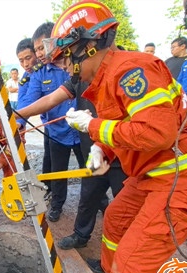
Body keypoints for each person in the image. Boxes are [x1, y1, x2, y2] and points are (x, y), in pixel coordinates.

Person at [46, 1, 187, 273]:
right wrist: (102, 149)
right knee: (115, 220)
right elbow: (126, 126)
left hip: (185, 175)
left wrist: (93, 128)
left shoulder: (130, 71)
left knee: (135, 257)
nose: (67, 67)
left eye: (68, 56)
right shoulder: (106, 79)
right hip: (155, 172)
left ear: (88, 46)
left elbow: (157, 132)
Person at [16, 51, 127, 250]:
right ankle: (81, 235)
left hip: (124, 155)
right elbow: (49, 100)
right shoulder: (79, 77)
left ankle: (123, 250)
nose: (67, 70)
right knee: (88, 193)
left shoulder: (123, 73)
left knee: (123, 208)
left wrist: (93, 125)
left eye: (68, 64)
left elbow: (147, 130)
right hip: (97, 148)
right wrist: (13, 116)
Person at [18, 22, 84, 222]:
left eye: (41, 48)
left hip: (84, 132)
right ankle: (57, 205)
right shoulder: (40, 73)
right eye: (36, 49)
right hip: (57, 133)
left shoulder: (76, 61)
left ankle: (100, 204)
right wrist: (19, 121)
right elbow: (31, 99)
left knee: (92, 172)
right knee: (57, 173)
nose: (39, 54)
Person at [16, 38, 38, 105]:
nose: (25, 64)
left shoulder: (45, 70)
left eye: (28, 58)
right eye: (21, 61)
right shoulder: (25, 78)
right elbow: (22, 103)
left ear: (36, 54)